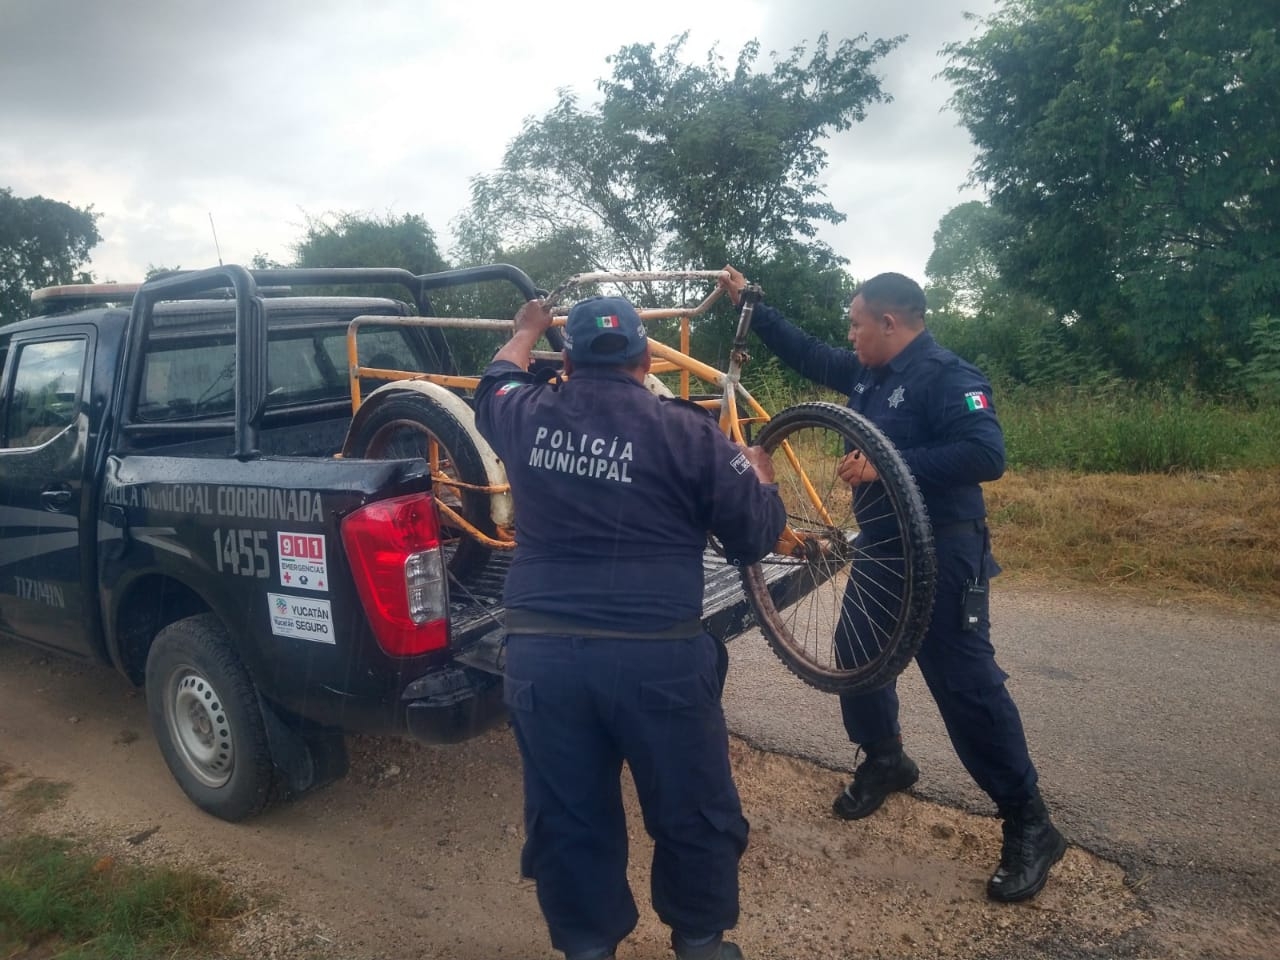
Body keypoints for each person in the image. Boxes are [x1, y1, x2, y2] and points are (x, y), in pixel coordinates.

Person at [717, 266, 1066, 903]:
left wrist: (886, 462)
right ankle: (886, 758)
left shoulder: (946, 375)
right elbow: (808, 353)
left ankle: (1029, 820)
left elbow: (987, 454)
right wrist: (754, 308)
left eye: (856, 324)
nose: (848, 336)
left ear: (890, 322)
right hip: (881, 553)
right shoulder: (867, 374)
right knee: (856, 655)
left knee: (966, 687)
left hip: (944, 555)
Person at [473, 294, 787, 960]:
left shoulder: (525, 414)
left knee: (568, 821)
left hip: (543, 664)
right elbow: (755, 536)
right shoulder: (691, 432)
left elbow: (496, 377)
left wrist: (525, 328)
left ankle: (588, 949)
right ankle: (700, 942)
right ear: (646, 359)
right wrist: (759, 478)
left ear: (566, 361)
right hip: (659, 664)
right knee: (693, 811)